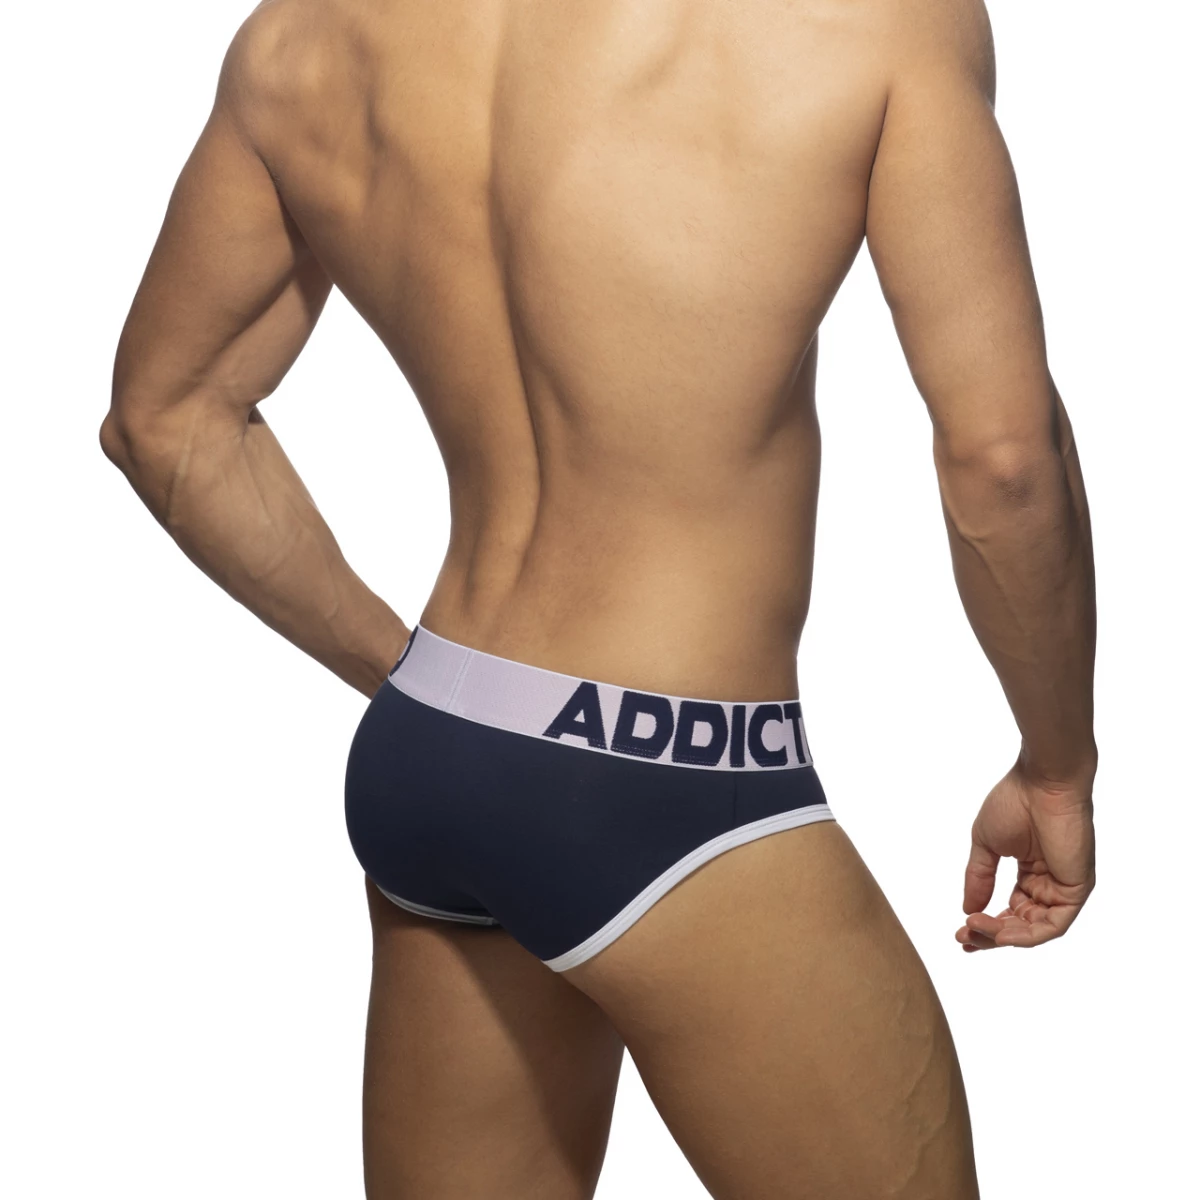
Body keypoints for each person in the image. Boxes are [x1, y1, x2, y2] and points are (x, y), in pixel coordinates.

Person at [101, 0, 1097, 1196]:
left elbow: (163, 424)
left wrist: (428, 686)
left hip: (438, 743)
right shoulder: (868, 22)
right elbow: (1003, 463)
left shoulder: (304, 35)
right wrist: (1057, 766)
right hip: (677, 777)